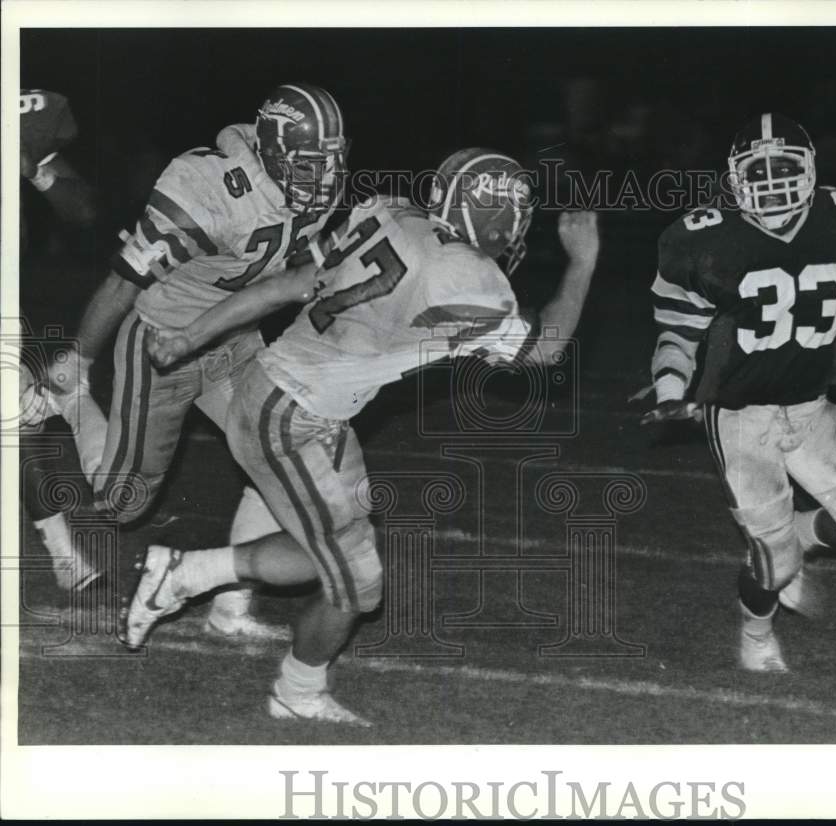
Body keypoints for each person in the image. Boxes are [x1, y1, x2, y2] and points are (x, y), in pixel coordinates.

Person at [125, 148, 600, 722]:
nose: (519, 223)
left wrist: (188, 338)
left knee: (336, 552)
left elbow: (289, 284)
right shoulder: (467, 276)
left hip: (290, 397)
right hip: (292, 416)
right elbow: (544, 350)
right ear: (492, 212)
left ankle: (193, 579)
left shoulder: (391, 212)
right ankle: (292, 689)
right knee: (355, 581)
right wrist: (583, 262)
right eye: (515, 210)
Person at [68, 83, 349, 636]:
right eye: (311, 164)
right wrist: (77, 362)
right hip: (163, 346)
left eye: (332, 162)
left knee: (283, 452)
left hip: (238, 341)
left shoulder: (314, 192)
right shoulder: (207, 185)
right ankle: (71, 403)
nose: (325, 178)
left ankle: (229, 609)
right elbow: (125, 282)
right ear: (272, 151)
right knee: (122, 504)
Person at [641, 114, 836, 672]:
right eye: (756, 170)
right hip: (739, 416)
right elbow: (678, 332)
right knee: (775, 563)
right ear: (733, 177)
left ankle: (805, 533)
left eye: (783, 167)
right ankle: (756, 633)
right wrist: (669, 388)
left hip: (812, 407)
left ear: (809, 170)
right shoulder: (703, 236)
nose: (771, 181)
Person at [19, 88, 102, 591]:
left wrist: (34, 171)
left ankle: (64, 556)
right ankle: (56, 400)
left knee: (17, 424)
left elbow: (85, 210)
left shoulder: (24, 117)